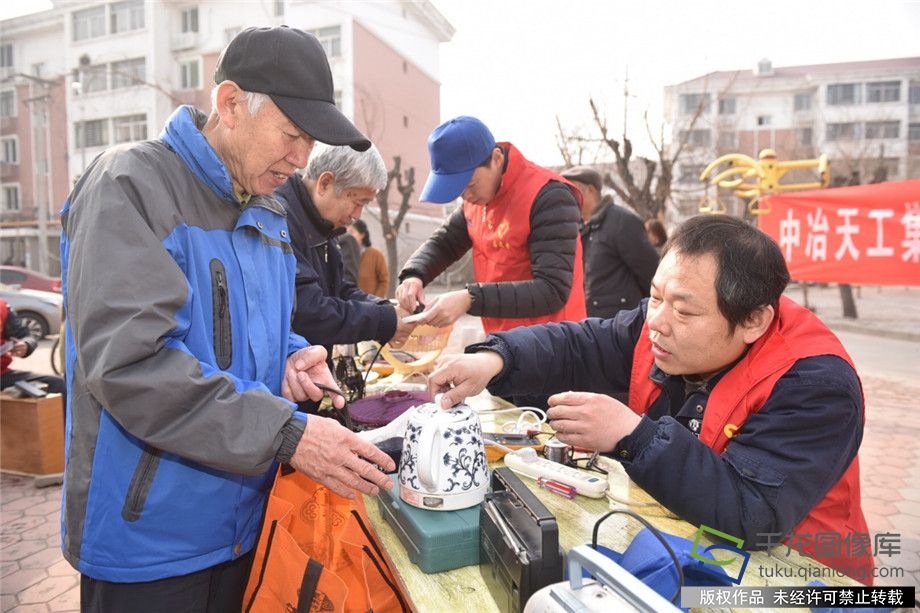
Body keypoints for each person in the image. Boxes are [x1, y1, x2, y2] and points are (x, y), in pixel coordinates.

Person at [59, 26, 395, 611]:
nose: (300, 158)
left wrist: (292, 353)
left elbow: (253, 325)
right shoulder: (130, 186)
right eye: (291, 135)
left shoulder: (265, 211)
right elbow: (131, 366)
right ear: (231, 104)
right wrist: (286, 433)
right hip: (152, 545)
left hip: (244, 527)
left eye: (308, 141)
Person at [429, 215, 872, 583]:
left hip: (802, 581)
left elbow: (753, 514)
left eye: (684, 310)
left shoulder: (815, 384)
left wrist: (632, 435)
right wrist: (494, 358)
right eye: (656, 296)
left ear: (754, 320)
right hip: (693, 544)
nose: (657, 321)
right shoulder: (654, 327)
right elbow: (579, 344)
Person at [395, 116, 586, 334]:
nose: (466, 196)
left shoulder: (549, 197)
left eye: (470, 184)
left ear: (496, 158)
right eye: (458, 190)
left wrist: (469, 298)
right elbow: (444, 243)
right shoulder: (476, 201)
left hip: (554, 343)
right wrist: (414, 275)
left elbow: (552, 290)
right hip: (505, 342)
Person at [273, 144, 414, 397]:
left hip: (309, 380)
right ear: (325, 183)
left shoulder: (323, 227)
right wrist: (384, 321)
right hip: (282, 386)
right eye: (357, 201)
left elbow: (339, 290)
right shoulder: (279, 218)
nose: (357, 215)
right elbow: (309, 312)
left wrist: (386, 309)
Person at [560, 166, 658, 318]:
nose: (565, 197)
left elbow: (651, 274)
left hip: (621, 325)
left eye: (571, 190)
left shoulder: (622, 221)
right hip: (590, 324)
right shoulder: (576, 227)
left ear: (590, 190)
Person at [0, 298, 66, 398]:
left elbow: (26, 335)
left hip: (3, 375)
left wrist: (26, 344)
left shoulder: (2, 307)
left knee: (58, 384)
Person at [348, 218, 390, 297]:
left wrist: (375, 301)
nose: (348, 235)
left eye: (351, 232)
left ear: (362, 234)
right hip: (349, 305)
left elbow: (384, 281)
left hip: (370, 305)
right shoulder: (344, 253)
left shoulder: (376, 254)